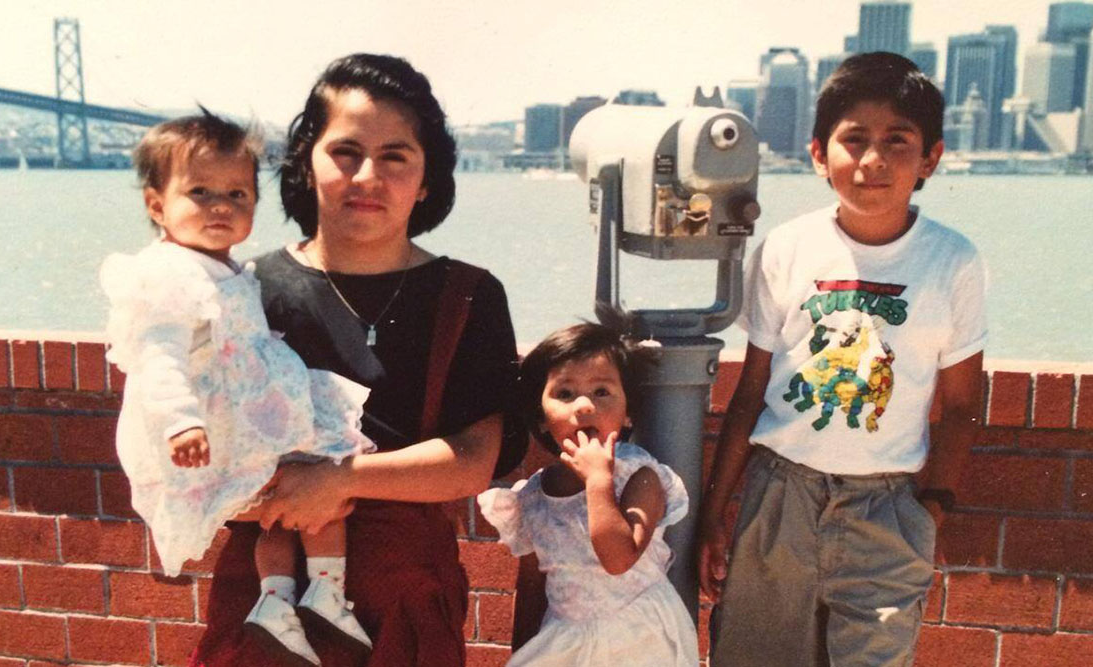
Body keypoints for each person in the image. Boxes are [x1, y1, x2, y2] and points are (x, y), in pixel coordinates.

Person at [189, 53, 523, 667]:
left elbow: (476, 457)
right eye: (346, 151)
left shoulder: (468, 296)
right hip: (270, 604)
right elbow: (198, 447)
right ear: (307, 162)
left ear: (426, 180)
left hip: (406, 599)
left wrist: (337, 482)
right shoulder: (244, 290)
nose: (367, 175)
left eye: (395, 156)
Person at [697, 52, 987, 666]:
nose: (874, 160)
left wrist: (931, 509)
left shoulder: (953, 261)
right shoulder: (787, 248)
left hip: (887, 506)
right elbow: (750, 392)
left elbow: (961, 405)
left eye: (897, 141)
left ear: (931, 158)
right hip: (779, 494)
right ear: (818, 154)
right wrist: (716, 511)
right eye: (854, 140)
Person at [101, 111, 379, 667]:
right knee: (309, 490)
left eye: (238, 194)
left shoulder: (226, 270)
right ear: (157, 206)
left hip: (250, 422)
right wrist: (181, 420)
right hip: (213, 430)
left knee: (292, 497)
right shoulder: (167, 277)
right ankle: (310, 592)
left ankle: (290, 600)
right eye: (199, 192)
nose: (221, 206)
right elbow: (158, 358)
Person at [477, 323, 699, 666]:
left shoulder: (640, 477)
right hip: (567, 641)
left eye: (601, 392)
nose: (584, 406)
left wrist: (599, 482)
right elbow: (533, 589)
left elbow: (618, 559)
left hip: (640, 640)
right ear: (540, 418)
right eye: (565, 394)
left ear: (628, 413)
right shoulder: (533, 497)